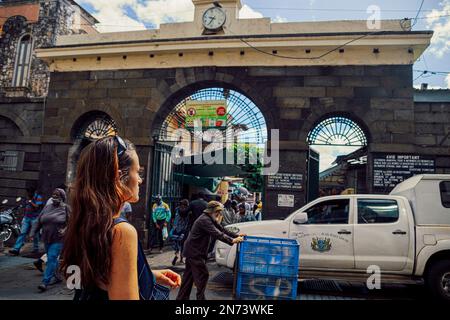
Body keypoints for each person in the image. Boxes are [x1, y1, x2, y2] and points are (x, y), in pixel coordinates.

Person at [60, 136, 181, 300]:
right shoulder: (122, 231)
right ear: (118, 178)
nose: (140, 179)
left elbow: (96, 280)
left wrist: (146, 275)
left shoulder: (84, 222)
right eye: (137, 172)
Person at [176, 201, 244, 300]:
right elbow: (217, 233)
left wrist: (237, 236)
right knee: (203, 275)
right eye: (218, 212)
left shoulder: (209, 218)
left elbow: (222, 229)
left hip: (193, 251)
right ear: (212, 211)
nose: (219, 214)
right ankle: (200, 298)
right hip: (195, 252)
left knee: (188, 279)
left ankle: (181, 298)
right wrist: (232, 240)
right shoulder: (204, 220)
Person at [30, 188, 68, 292]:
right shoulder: (47, 207)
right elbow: (38, 220)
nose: (54, 196)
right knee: (53, 259)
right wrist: (32, 233)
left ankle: (45, 282)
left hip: (58, 239)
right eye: (53, 194)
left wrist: (65, 230)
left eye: (57, 195)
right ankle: (58, 277)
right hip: (46, 237)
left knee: (51, 257)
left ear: (62, 197)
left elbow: (72, 223)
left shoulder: (65, 208)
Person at [9, 187, 44, 255]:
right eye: (28, 192)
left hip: (35, 218)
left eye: (30, 192)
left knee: (35, 234)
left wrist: (31, 202)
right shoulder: (28, 197)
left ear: (34, 192)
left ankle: (35, 249)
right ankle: (16, 249)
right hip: (27, 217)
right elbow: (26, 206)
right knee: (22, 233)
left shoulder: (38, 197)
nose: (28, 194)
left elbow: (37, 206)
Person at [170, 199, 189, 266]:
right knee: (182, 244)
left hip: (176, 228)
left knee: (177, 243)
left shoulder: (177, 210)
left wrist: (173, 225)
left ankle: (177, 254)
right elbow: (187, 222)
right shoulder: (187, 211)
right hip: (182, 229)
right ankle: (181, 258)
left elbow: (173, 218)